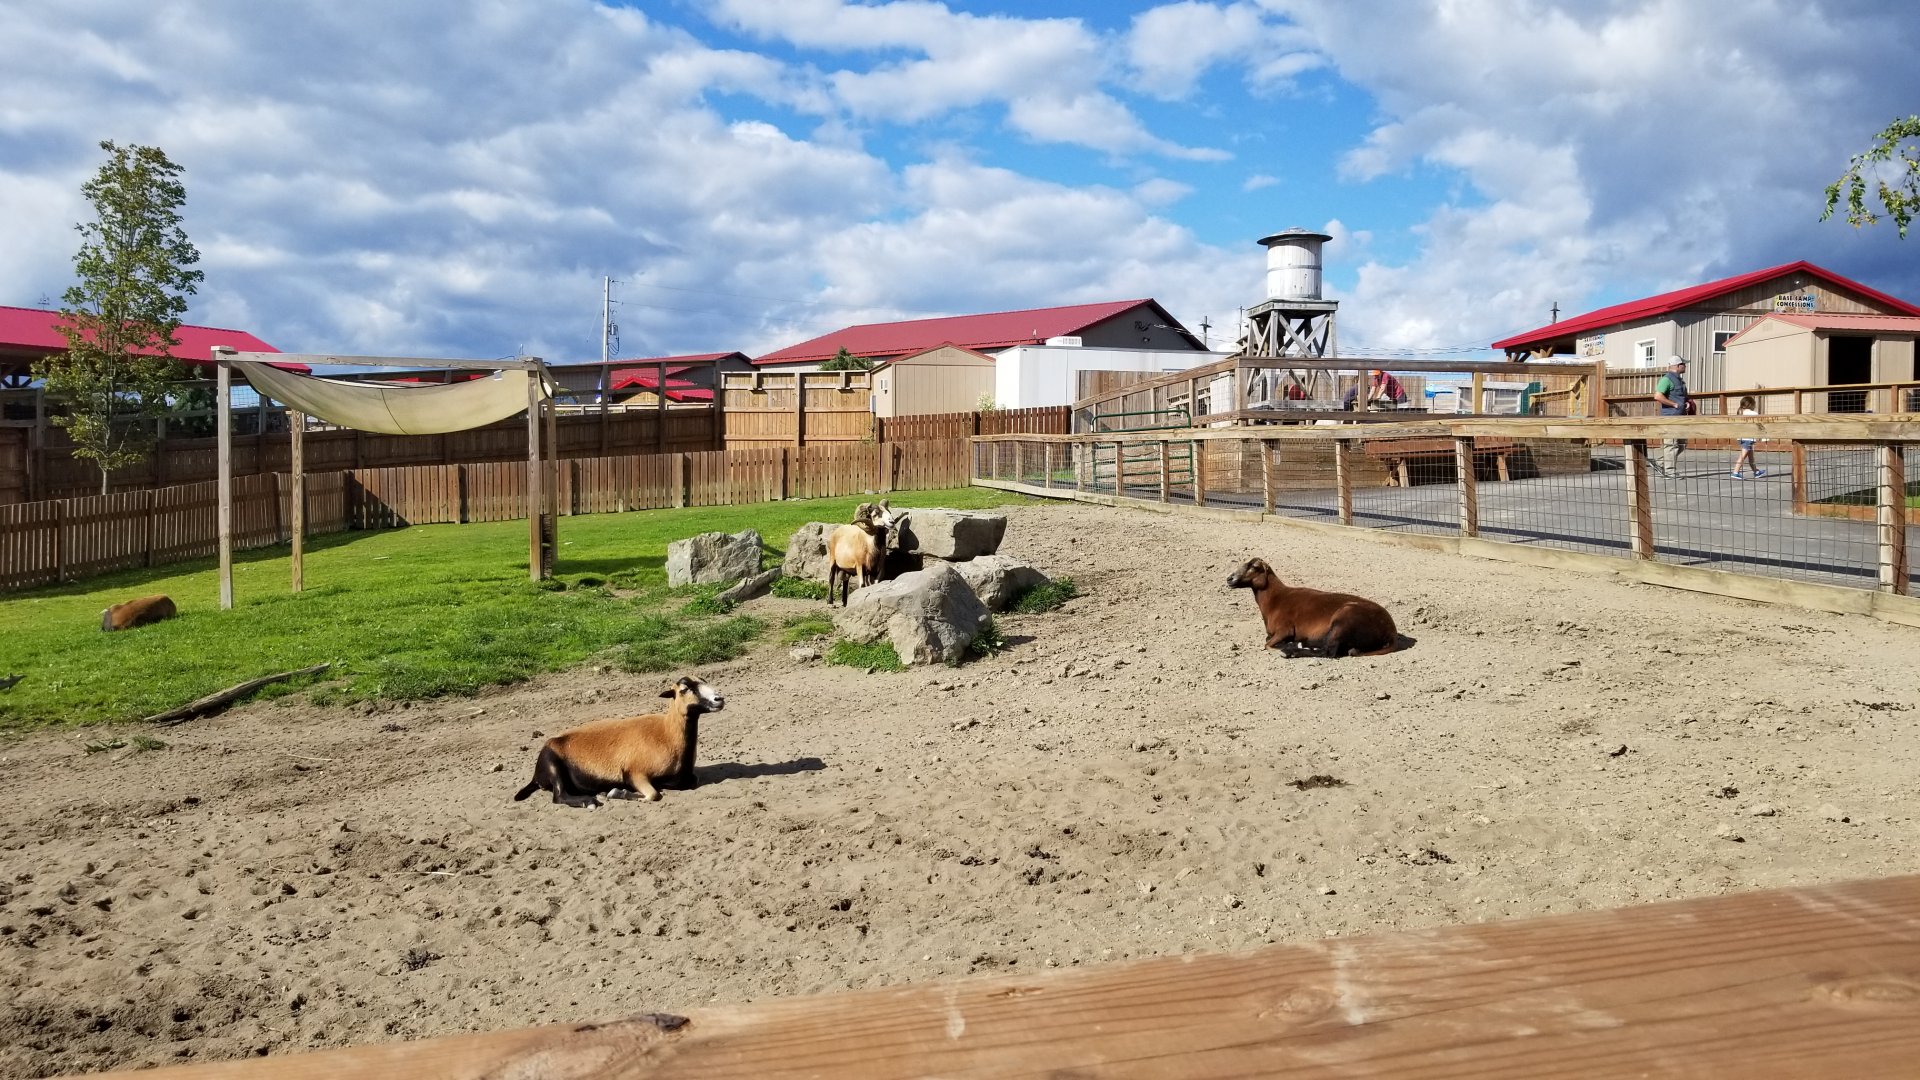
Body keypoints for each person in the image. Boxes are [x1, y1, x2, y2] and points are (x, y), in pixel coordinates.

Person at [1652, 356, 1690, 477]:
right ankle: (1669, 471)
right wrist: (1674, 404)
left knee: (1682, 444)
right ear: (1678, 366)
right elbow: (1658, 396)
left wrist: (1687, 403)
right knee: (1671, 444)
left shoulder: (1680, 380)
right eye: (1684, 364)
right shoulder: (1666, 379)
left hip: (1680, 417)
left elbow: (1681, 397)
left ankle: (1659, 462)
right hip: (1670, 417)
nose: (1685, 366)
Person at [1731, 394, 1767, 479]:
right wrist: (1764, 435)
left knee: (1751, 456)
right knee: (1743, 455)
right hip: (1748, 438)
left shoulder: (1740, 413)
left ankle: (1756, 471)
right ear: (1751, 405)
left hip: (1741, 437)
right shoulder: (1754, 413)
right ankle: (1735, 472)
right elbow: (1759, 425)